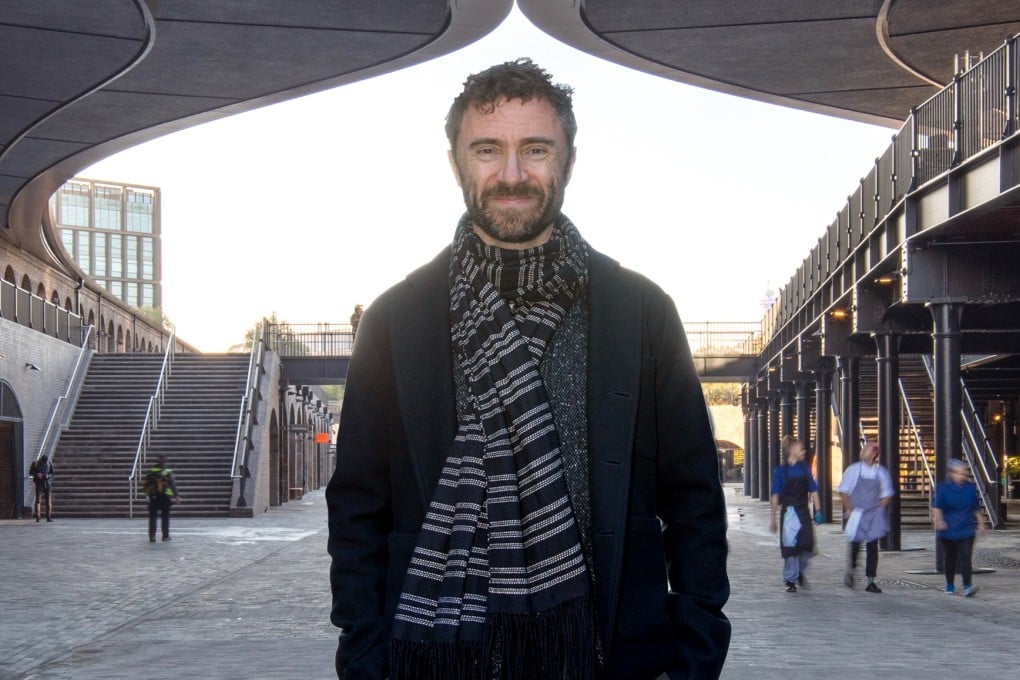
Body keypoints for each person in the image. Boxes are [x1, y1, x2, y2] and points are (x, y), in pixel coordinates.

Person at [326, 58, 730, 680]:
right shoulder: (395, 319)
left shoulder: (641, 311)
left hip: (611, 659)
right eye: (487, 149)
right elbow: (357, 508)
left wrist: (694, 658)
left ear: (569, 162)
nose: (511, 174)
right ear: (456, 164)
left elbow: (694, 499)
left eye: (536, 149)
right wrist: (364, 656)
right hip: (432, 662)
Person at [838, 442, 894, 593]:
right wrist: (849, 508)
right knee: (855, 545)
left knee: (872, 546)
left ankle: (870, 580)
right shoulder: (853, 470)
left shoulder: (881, 472)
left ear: (874, 454)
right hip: (857, 513)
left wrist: (880, 509)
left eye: (866, 450)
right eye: (863, 450)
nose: (862, 452)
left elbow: (886, 493)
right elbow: (843, 491)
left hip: (873, 514)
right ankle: (851, 569)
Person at [769, 436, 821, 592]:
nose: (804, 452)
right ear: (792, 450)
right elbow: (775, 495)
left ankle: (799, 571)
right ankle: (790, 580)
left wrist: (818, 510)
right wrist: (773, 519)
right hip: (789, 513)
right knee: (790, 549)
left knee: (807, 546)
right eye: (801, 449)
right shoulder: (781, 471)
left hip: (803, 511)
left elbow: (813, 490)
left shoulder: (804, 469)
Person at [931, 458, 986, 596]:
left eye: (964, 473)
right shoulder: (943, 488)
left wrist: (981, 523)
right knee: (950, 557)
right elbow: (937, 506)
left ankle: (967, 585)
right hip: (948, 528)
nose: (962, 476)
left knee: (965, 557)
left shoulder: (970, 488)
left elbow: (975, 507)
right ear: (952, 474)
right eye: (959, 473)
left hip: (966, 528)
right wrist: (939, 521)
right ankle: (950, 584)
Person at [145, 455, 180, 542]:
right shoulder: (167, 471)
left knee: (153, 517)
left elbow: (146, 484)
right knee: (165, 516)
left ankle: (152, 536)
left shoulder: (151, 471)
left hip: (153, 497)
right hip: (165, 497)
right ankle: (165, 536)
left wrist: (147, 495)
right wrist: (176, 496)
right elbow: (172, 484)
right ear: (165, 462)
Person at [30, 454, 54, 522]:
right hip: (39, 484)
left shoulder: (49, 463)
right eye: (43, 462)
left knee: (48, 501)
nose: (44, 463)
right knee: (38, 501)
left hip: (47, 484)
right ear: (41, 460)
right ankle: (38, 517)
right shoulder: (35, 463)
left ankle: (48, 517)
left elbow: (52, 473)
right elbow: (31, 472)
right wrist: (36, 474)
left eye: (45, 462)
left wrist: (48, 476)